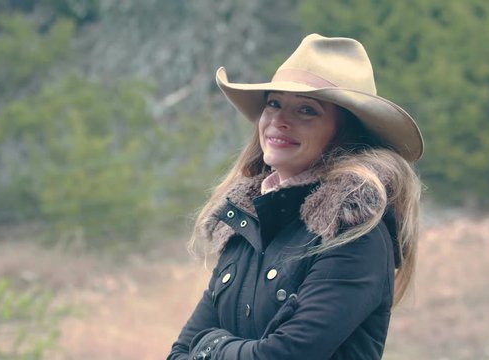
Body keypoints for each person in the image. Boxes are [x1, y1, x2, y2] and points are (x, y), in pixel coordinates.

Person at [167, 33, 424, 360]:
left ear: (346, 133)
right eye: (273, 103)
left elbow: (283, 355)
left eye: (306, 110)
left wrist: (210, 347)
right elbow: (178, 354)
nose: (279, 121)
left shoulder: (354, 236)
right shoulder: (247, 227)